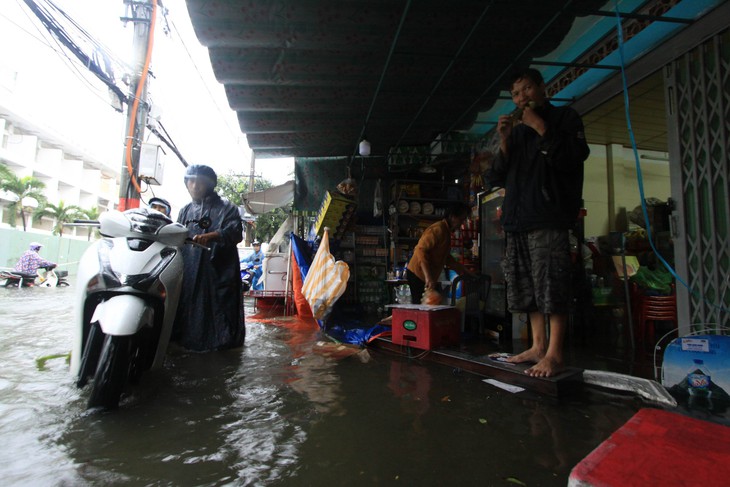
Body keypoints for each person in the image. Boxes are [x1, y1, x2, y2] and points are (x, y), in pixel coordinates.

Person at [486, 68, 589, 377]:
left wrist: (541, 126)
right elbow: (494, 177)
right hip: (517, 219)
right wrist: (504, 141)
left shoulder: (565, 119)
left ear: (543, 88)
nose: (521, 98)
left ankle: (555, 353)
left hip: (549, 216)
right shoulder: (516, 133)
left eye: (527, 89)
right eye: (516, 94)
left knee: (551, 282)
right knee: (527, 286)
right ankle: (537, 346)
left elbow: (573, 157)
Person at [174, 164, 245, 351]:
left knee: (220, 311)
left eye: (201, 182)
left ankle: (223, 346)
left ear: (210, 185)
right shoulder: (185, 211)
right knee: (191, 308)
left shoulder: (227, 208)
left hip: (219, 271)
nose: (195, 186)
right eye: (191, 181)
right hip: (190, 271)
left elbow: (236, 233)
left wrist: (212, 236)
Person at [406, 202, 472, 304]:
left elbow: (445, 257)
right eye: (461, 219)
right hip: (417, 273)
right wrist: (428, 277)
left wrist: (463, 269)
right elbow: (420, 250)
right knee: (421, 308)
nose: (462, 223)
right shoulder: (439, 229)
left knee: (429, 305)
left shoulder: (446, 231)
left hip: (426, 275)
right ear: (452, 217)